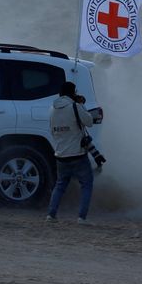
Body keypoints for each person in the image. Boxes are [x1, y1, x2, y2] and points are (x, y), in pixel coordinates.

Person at [45, 81, 95, 224]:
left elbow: (52, 130)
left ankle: (51, 214)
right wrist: (81, 105)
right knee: (87, 184)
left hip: (60, 154)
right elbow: (89, 121)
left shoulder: (52, 109)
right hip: (77, 154)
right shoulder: (75, 106)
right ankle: (82, 217)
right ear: (72, 93)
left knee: (60, 185)